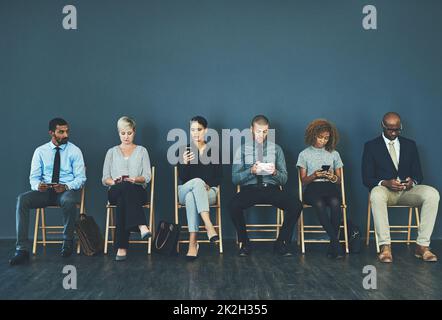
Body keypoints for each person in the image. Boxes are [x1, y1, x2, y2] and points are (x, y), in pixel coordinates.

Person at [362, 112, 439, 263]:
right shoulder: (371, 146)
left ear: (400, 127)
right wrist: (385, 182)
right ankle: (385, 246)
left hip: (407, 191)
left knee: (432, 193)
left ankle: (422, 246)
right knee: (376, 194)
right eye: (390, 129)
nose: (393, 133)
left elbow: (419, 174)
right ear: (382, 126)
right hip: (385, 191)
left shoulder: (410, 145)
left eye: (397, 129)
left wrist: (413, 181)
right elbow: (366, 178)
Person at [9, 118, 86, 266]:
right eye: (61, 132)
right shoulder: (40, 151)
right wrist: (38, 186)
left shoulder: (75, 151)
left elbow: (81, 178)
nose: (65, 135)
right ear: (51, 133)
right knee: (22, 199)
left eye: (67, 131)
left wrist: (66, 186)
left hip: (65, 191)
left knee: (69, 200)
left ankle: (67, 241)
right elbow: (33, 177)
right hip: (45, 192)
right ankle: (22, 250)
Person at [229, 115, 303, 257]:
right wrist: (251, 171)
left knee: (296, 205)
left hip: (271, 189)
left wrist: (275, 172)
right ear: (251, 129)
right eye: (258, 131)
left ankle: (281, 243)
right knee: (232, 206)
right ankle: (245, 243)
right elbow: (235, 178)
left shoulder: (277, 149)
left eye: (264, 131)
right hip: (250, 190)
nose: (261, 135)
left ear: (268, 131)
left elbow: (284, 179)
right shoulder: (242, 150)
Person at [102, 116, 152, 261]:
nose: (126, 136)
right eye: (123, 133)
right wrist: (115, 181)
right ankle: (142, 225)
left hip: (137, 191)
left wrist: (135, 179)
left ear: (134, 132)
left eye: (129, 133)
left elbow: (147, 176)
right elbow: (104, 179)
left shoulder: (142, 151)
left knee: (123, 197)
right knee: (123, 187)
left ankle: (122, 248)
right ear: (118, 133)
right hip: (115, 189)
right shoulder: (111, 152)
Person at [297, 119, 344, 259]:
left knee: (336, 203)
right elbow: (303, 181)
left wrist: (331, 176)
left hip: (329, 186)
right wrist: (315, 175)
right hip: (312, 188)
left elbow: (339, 180)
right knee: (319, 204)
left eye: (326, 138)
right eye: (320, 137)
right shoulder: (304, 154)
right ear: (313, 135)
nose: (323, 140)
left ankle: (333, 245)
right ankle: (336, 242)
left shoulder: (334, 154)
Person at [177, 116, 222, 260]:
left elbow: (219, 177)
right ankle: (209, 226)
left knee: (192, 197)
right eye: (192, 130)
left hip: (208, 192)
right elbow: (183, 178)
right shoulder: (184, 150)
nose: (196, 133)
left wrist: (207, 185)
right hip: (185, 190)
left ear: (206, 130)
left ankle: (192, 243)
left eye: (199, 129)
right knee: (196, 182)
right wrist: (184, 163)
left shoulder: (214, 151)